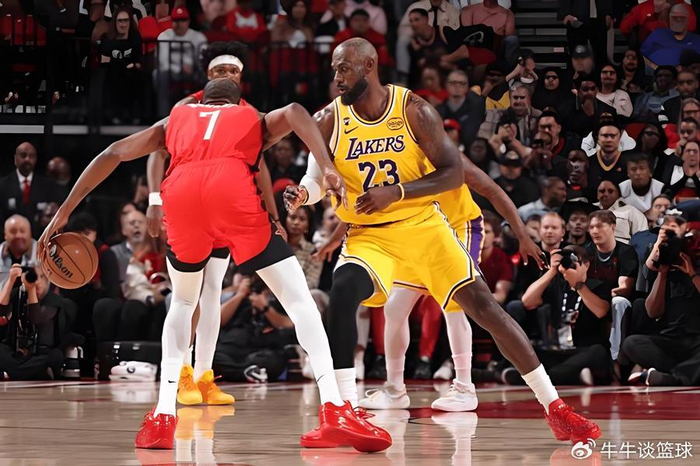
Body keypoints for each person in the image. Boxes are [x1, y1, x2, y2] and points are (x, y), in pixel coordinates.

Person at [38, 79, 391, 453]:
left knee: (182, 303)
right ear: (236, 102)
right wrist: (327, 166)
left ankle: (163, 416)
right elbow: (294, 112)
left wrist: (64, 212)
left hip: (182, 198)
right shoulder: (248, 116)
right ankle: (334, 408)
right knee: (299, 301)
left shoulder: (175, 119)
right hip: (232, 192)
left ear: (201, 101)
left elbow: (113, 152)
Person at [283, 38, 600, 445]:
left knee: (485, 309)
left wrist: (396, 192)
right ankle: (346, 409)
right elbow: (315, 178)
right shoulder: (328, 119)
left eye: (344, 68)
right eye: (334, 69)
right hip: (371, 236)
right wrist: (303, 194)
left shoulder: (412, 110)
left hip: (424, 227)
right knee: (343, 290)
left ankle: (554, 407)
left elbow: (454, 172)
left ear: (369, 66)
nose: (337, 77)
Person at [145, 42, 283, 407]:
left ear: (241, 77)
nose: (227, 76)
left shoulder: (246, 112)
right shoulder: (186, 108)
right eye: (221, 71)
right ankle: (181, 373)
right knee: (185, 298)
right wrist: (154, 200)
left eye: (233, 72)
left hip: (222, 210)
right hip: (187, 207)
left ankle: (204, 376)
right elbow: (157, 152)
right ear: (209, 76)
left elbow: (259, 167)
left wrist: (273, 214)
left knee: (211, 294)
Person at [622, 215, 700, 386]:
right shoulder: (664, 265)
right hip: (671, 340)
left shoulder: (695, 261)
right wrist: (662, 274)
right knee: (631, 343)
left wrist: (692, 274)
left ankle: (676, 377)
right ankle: (685, 373)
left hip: (697, 340)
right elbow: (652, 312)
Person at [585, 210, 638, 361]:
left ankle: (616, 357)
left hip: (618, 303)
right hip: (594, 300)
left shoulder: (626, 252)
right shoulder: (586, 252)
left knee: (618, 301)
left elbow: (624, 289)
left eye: (600, 226)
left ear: (613, 226)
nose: (595, 231)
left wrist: (603, 293)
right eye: (591, 227)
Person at [0, 143, 63, 236]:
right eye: (23, 155)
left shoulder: (48, 186)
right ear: (15, 159)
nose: (27, 159)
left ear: (35, 159)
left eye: (31, 156)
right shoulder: (2, 185)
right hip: (11, 240)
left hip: (40, 239)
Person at [0, 215, 37, 290]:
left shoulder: (43, 256)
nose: (18, 235)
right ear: (5, 235)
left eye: (22, 231)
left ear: (30, 233)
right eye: (13, 231)